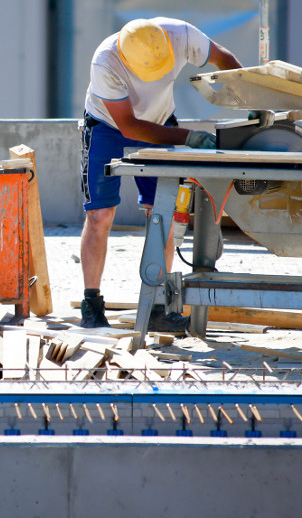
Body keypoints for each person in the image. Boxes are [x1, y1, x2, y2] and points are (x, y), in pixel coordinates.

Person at [79, 17, 243, 329]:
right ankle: (91, 303)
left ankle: (157, 307)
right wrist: (188, 137)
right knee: (100, 215)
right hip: (108, 125)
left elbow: (225, 60)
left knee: (162, 214)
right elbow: (129, 125)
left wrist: (249, 98)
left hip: (159, 120)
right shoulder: (106, 62)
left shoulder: (180, 35)